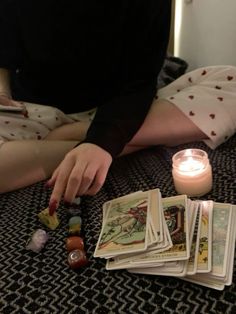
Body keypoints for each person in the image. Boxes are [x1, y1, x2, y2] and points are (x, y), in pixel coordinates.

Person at [0, 1, 236, 214]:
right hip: (32, 111)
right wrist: (1, 91)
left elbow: (141, 80)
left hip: (118, 109)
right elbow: (4, 56)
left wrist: (100, 141)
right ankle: (109, 145)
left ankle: (80, 135)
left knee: (232, 84)